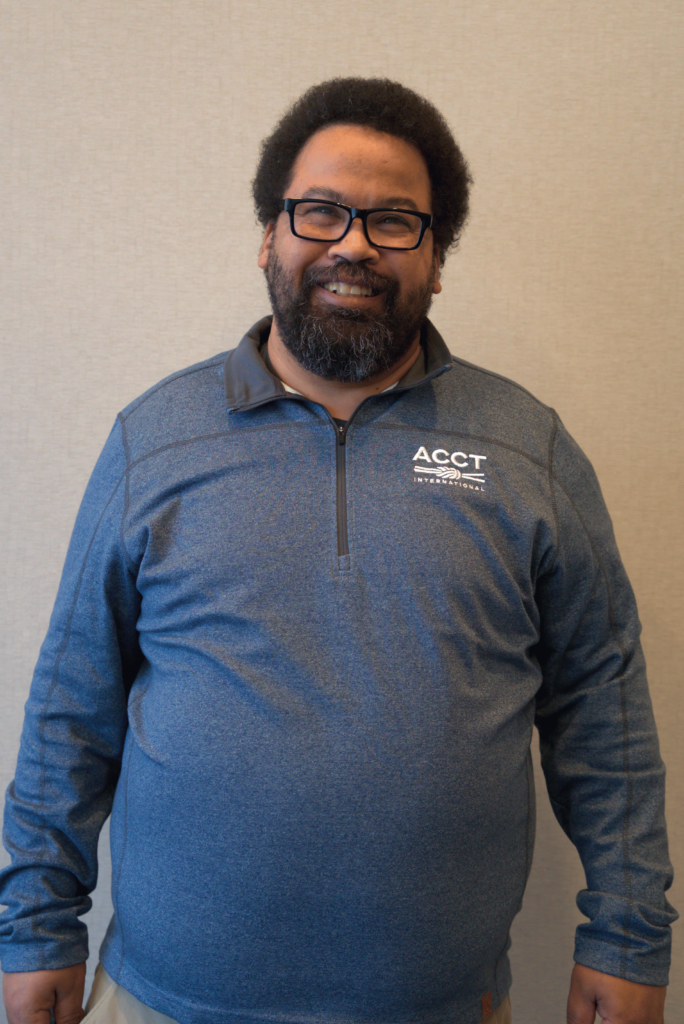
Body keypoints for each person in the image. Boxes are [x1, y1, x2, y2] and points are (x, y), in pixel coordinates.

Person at [0, 77, 676, 1024]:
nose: (354, 242)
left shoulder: (529, 452)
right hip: (163, 1003)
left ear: (437, 259)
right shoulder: (152, 442)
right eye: (320, 212)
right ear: (268, 236)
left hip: (441, 1005)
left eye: (395, 220)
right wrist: (34, 927)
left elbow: (605, 717)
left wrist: (630, 937)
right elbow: (71, 709)